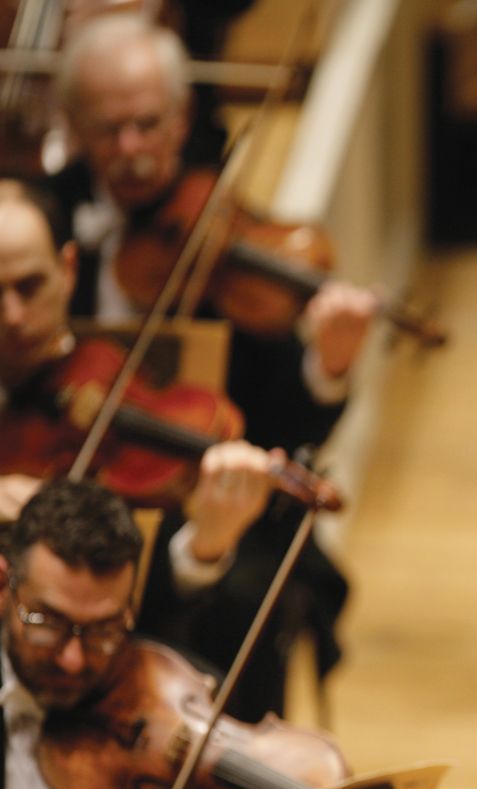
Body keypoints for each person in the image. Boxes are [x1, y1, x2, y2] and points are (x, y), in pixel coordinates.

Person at [0, 176, 293, 721]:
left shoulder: (109, 387)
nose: (12, 317)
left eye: (29, 286)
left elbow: (164, 606)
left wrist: (204, 548)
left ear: (68, 270)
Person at [49, 11, 376, 456]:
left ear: (182, 117)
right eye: (108, 129)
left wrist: (330, 368)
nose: (130, 149)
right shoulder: (47, 216)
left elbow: (289, 425)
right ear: (74, 125)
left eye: (147, 125)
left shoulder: (222, 232)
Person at [0, 478, 150, 789]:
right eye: (48, 622)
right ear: (6, 584)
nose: (71, 659)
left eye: (103, 631)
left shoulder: (147, 698)